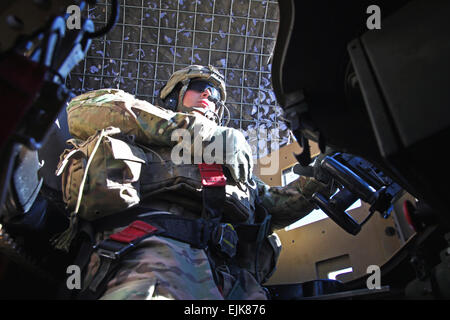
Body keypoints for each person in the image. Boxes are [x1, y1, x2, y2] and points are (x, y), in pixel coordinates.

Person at [54, 64, 333, 300]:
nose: (208, 94)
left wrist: (323, 176)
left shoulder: (234, 165)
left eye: (213, 96)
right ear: (174, 95)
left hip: (230, 278)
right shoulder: (142, 125)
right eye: (198, 86)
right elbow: (79, 111)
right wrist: (195, 132)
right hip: (153, 252)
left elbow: (275, 207)